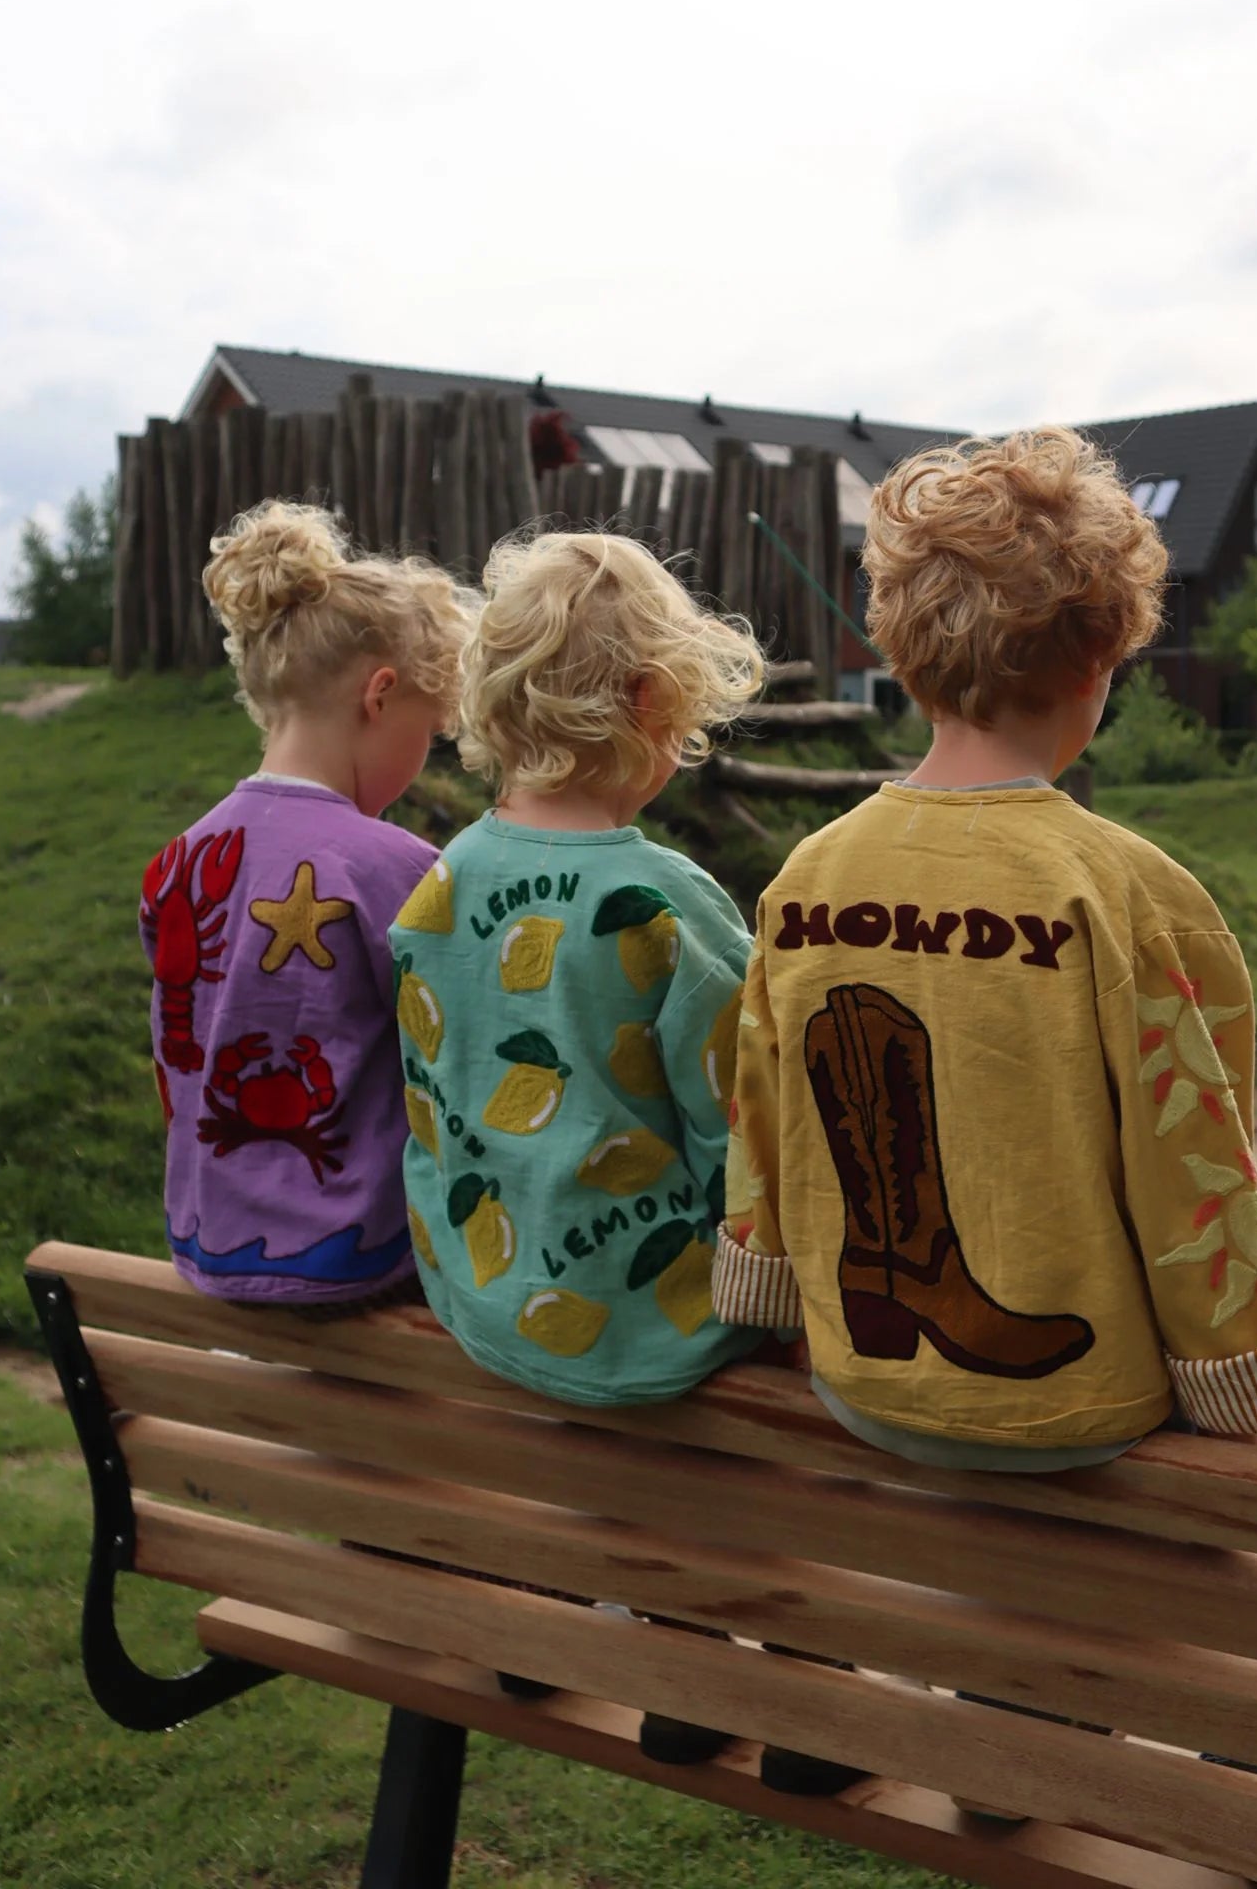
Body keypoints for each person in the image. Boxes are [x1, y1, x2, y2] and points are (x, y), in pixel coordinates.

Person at [712, 426, 1257, 1805]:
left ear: (898, 651)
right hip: (1071, 1401)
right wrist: (1241, 1375)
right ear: (1101, 657)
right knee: (1232, 1480)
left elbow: (762, 1118)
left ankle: (904, 1699)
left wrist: (762, 1289)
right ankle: (1053, 1753)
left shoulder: (807, 877)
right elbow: (1195, 1170)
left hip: (867, 1381)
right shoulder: (1126, 890)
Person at [390, 525, 765, 1764]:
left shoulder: (442, 882)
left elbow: (435, 1092)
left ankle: (549, 1594)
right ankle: (723, 1664)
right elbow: (747, 1130)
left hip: (493, 1289)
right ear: (656, 701)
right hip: (653, 1315)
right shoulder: (662, 901)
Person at [140, 500, 473, 1311]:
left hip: (206, 1243)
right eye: (429, 730)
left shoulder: (176, 862)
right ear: (380, 695)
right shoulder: (400, 870)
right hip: (362, 1262)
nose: (423, 756)